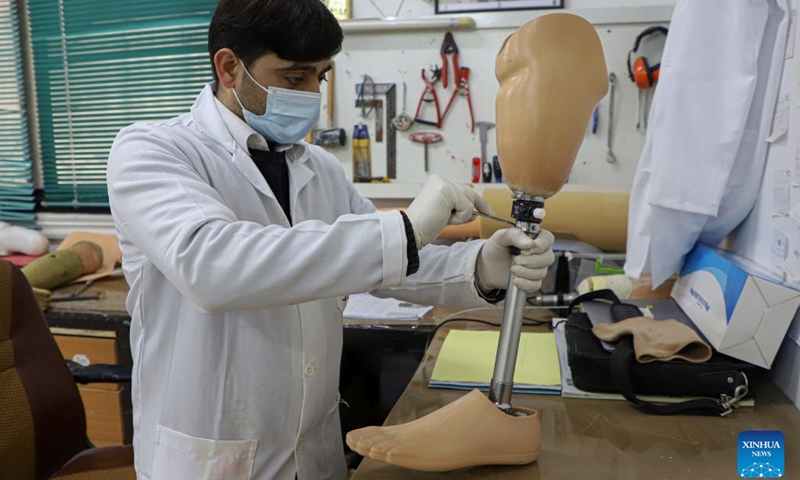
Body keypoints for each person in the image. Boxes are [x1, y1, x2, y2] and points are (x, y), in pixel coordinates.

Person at [106, 1, 555, 479]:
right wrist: (406, 226)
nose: (311, 94)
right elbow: (212, 267)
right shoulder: (151, 151)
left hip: (314, 454)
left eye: (320, 77)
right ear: (229, 67)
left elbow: (388, 266)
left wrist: (481, 266)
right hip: (215, 457)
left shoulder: (317, 167)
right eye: (294, 78)